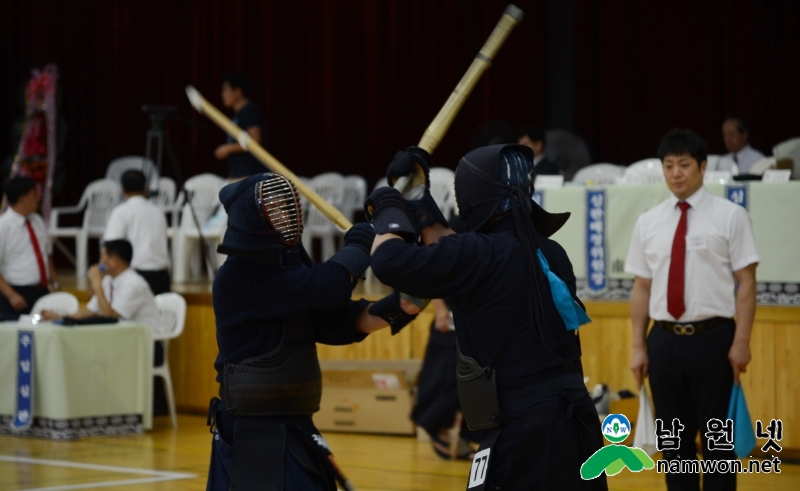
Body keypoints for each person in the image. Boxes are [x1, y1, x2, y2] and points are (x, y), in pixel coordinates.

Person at [367, 145, 606, 490]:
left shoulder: (478, 256)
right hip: (576, 425)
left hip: (523, 433)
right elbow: (451, 251)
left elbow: (388, 259)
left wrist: (390, 203)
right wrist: (417, 195)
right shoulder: (550, 252)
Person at [206, 172, 421, 491]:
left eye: (287, 206)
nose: (285, 214)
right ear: (252, 218)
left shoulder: (287, 271)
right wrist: (361, 244)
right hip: (252, 433)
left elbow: (332, 321)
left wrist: (398, 307)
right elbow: (332, 286)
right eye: (274, 208)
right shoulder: (240, 277)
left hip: (293, 425)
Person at [627, 129, 759, 491]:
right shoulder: (648, 221)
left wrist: (742, 341)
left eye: (684, 164)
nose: (676, 173)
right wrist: (638, 345)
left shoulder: (731, 216)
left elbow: (746, 282)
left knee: (718, 447)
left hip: (714, 340)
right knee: (675, 449)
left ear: (702, 167)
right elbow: (641, 287)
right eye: (668, 165)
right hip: (664, 343)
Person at [411, 218, 480, 461]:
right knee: (446, 380)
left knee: (478, 384)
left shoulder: (492, 230)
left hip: (478, 317)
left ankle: (464, 440)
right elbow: (435, 269)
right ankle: (437, 426)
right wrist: (440, 309)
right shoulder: (453, 227)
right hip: (450, 319)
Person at [42, 239, 160, 329]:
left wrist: (97, 285)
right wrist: (61, 318)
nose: (99, 262)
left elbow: (109, 318)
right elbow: (88, 312)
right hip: (124, 339)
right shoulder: (109, 280)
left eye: (102, 257)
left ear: (113, 262)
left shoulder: (134, 285)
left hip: (147, 345)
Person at [104, 170, 171, 295]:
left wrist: (101, 275)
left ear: (123, 190)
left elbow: (110, 247)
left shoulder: (121, 211)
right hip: (163, 277)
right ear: (145, 189)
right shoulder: (158, 211)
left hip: (136, 278)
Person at [0, 177, 58, 319]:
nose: (38, 198)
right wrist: (11, 295)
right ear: (23, 198)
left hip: (41, 291)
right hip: (16, 293)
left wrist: (55, 283)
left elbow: (47, 255)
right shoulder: (3, 226)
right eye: (34, 194)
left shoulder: (37, 221)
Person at [214, 72, 266, 179]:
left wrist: (227, 148)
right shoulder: (238, 114)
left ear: (237, 92)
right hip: (238, 175)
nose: (222, 94)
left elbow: (254, 140)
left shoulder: (250, 110)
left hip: (249, 175)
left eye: (225, 89)